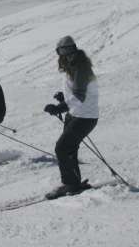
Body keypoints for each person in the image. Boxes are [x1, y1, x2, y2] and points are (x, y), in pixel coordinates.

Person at [43, 36, 99, 198]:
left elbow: (81, 95)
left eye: (60, 51)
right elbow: (76, 91)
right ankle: (73, 183)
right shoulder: (74, 66)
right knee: (69, 149)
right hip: (76, 114)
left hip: (84, 116)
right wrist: (63, 97)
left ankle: (69, 183)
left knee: (62, 148)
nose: (60, 56)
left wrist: (59, 107)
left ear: (66, 50)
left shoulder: (81, 68)